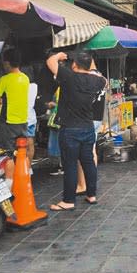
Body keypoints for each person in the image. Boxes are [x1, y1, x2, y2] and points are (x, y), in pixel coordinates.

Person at [46, 51, 104, 210]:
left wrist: (59, 55)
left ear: (74, 65)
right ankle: (91, 195)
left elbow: (50, 62)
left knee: (70, 164)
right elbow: (99, 75)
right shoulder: (98, 81)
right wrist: (89, 63)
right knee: (88, 162)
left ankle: (69, 201)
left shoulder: (69, 77)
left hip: (70, 129)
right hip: (87, 128)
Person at [0, 49, 29, 187]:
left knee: (7, 154)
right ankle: (23, 179)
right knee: (21, 152)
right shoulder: (25, 78)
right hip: (22, 121)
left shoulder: (4, 79)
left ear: (6, 63)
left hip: (8, 122)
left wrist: (0, 102)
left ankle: (9, 184)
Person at [75, 68, 106, 195]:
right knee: (92, 150)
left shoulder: (91, 84)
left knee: (82, 153)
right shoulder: (102, 83)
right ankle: (90, 182)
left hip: (88, 120)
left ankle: (83, 184)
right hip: (97, 119)